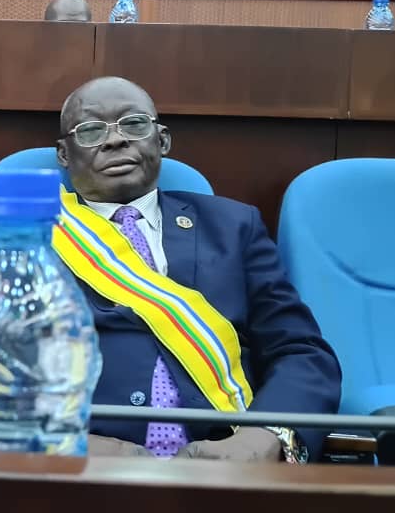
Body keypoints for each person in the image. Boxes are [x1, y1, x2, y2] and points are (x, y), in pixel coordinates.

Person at [53, 77, 341, 462]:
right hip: (83, 464)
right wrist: (63, 445)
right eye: (91, 131)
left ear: (162, 140)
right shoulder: (31, 237)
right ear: (64, 154)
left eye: (134, 124)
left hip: (226, 461)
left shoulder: (233, 226)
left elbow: (300, 351)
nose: (115, 140)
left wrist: (264, 439)